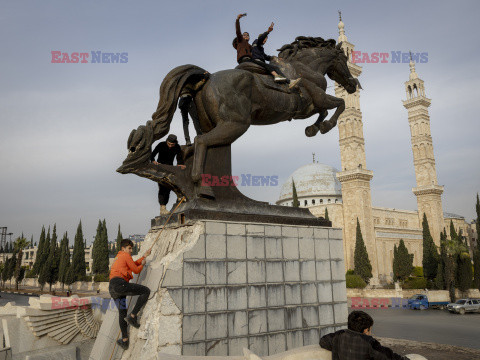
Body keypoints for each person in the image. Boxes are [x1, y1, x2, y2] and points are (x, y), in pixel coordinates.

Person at [109, 239, 152, 350]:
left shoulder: (119, 256)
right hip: (120, 284)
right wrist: (142, 264)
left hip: (113, 288)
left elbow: (133, 264)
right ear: (123, 248)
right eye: (129, 248)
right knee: (146, 291)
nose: (131, 250)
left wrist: (144, 256)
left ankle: (125, 340)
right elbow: (136, 270)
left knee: (122, 313)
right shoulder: (125, 255)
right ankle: (133, 316)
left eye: (131, 248)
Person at [320, 310, 408, 360]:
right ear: (366, 330)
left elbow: (323, 341)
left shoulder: (338, 336)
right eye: (370, 330)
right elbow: (388, 357)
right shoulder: (369, 342)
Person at [251, 22, 300, 88]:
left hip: (261, 60)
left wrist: (275, 58)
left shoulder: (260, 47)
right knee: (268, 66)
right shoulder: (257, 41)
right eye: (265, 38)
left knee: (276, 67)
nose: (265, 40)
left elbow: (266, 57)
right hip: (256, 60)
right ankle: (287, 81)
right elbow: (261, 39)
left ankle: (282, 80)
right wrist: (268, 31)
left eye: (266, 39)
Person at [150, 134, 186, 215]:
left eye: (172, 145)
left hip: (169, 168)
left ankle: (166, 207)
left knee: (169, 187)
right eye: (169, 144)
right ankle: (162, 208)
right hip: (160, 167)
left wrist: (180, 164)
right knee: (162, 187)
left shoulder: (177, 147)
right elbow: (153, 154)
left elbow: (179, 157)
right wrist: (153, 161)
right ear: (166, 141)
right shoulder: (161, 145)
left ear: (175, 143)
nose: (170, 146)